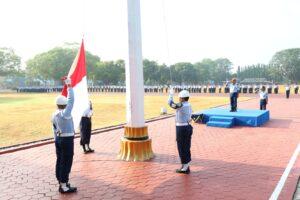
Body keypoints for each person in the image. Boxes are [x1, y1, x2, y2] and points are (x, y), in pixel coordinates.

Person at [52, 78, 77, 194]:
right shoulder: (64, 114)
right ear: (64, 105)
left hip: (59, 139)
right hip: (66, 140)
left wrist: (56, 140)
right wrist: (69, 85)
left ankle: (61, 181)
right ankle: (64, 186)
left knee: (60, 160)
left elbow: (54, 129)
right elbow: (71, 100)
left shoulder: (54, 114)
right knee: (66, 161)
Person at [168, 87, 193, 174]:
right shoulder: (188, 104)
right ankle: (186, 165)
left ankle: (185, 168)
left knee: (182, 147)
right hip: (187, 127)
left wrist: (170, 95)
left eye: (179, 97)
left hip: (182, 128)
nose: (179, 99)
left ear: (182, 98)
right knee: (186, 146)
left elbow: (171, 104)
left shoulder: (181, 105)